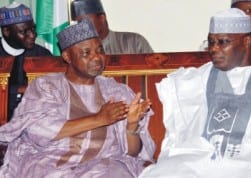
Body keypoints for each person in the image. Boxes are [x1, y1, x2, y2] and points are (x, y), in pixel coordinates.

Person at [139, 8, 251, 178]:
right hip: (200, 161)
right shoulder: (195, 79)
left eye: (223, 42)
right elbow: (179, 131)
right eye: (211, 42)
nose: (214, 49)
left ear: (246, 41)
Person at [0, 18, 155, 177]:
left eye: (100, 50)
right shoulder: (47, 86)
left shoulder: (117, 92)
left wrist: (132, 126)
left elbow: (132, 153)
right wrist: (100, 119)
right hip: (50, 162)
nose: (97, 57)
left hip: (104, 164)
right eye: (86, 53)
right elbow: (39, 132)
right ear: (67, 56)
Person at [0, 2, 52, 120]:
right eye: (24, 31)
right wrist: (19, 89)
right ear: (6, 31)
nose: (32, 35)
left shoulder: (43, 55)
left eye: (33, 29)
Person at [70, 0, 153, 55]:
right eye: (77, 23)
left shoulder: (134, 43)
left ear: (102, 18)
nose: (80, 26)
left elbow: (155, 75)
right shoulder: (77, 51)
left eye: (83, 21)